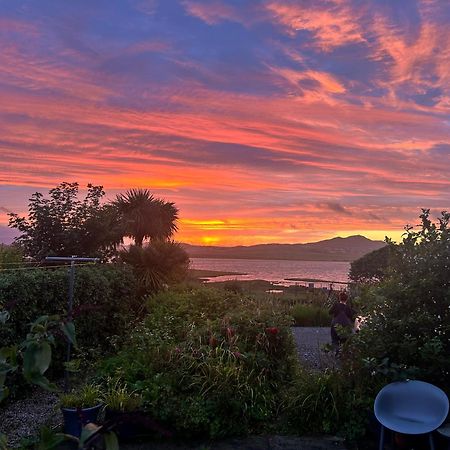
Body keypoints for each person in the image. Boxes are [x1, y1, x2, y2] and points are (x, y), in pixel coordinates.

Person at [329, 289, 355, 355]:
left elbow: (330, 312)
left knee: (334, 338)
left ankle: (336, 350)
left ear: (339, 298)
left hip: (335, 323)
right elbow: (351, 316)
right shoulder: (348, 307)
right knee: (345, 339)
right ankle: (344, 352)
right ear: (346, 299)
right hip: (345, 324)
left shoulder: (336, 305)